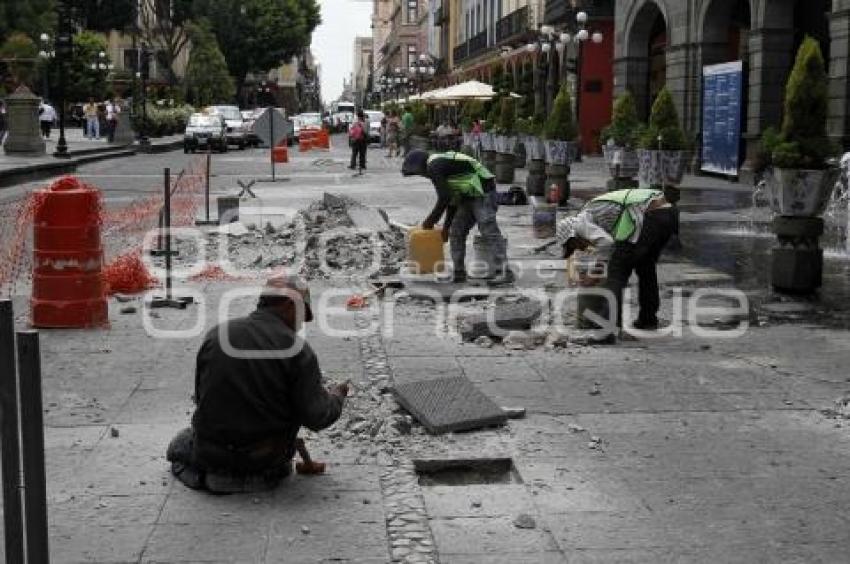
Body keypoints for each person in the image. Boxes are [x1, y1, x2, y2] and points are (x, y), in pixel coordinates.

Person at [166, 274, 349, 493]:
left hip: (212, 454)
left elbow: (201, 398)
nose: (301, 325)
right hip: (264, 459)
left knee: (180, 443)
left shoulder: (217, 335)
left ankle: (209, 472)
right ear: (291, 306)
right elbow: (317, 417)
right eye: (302, 315)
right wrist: (337, 397)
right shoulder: (297, 350)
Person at [556, 188, 677, 339]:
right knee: (646, 268)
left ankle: (607, 330)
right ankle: (648, 319)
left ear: (572, 236)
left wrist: (594, 274)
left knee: (616, 273)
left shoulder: (580, 223)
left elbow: (606, 244)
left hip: (646, 214)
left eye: (573, 246)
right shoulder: (595, 215)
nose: (579, 248)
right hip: (668, 213)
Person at [402, 149, 513, 284]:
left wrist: (429, 222)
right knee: (456, 231)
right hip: (468, 194)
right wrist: (446, 228)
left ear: (420, 166)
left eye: (418, 173)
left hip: (483, 191)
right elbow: (452, 200)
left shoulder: (434, 166)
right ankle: (459, 272)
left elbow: (444, 198)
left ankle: (505, 272)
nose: (422, 176)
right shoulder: (439, 165)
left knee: (488, 229)